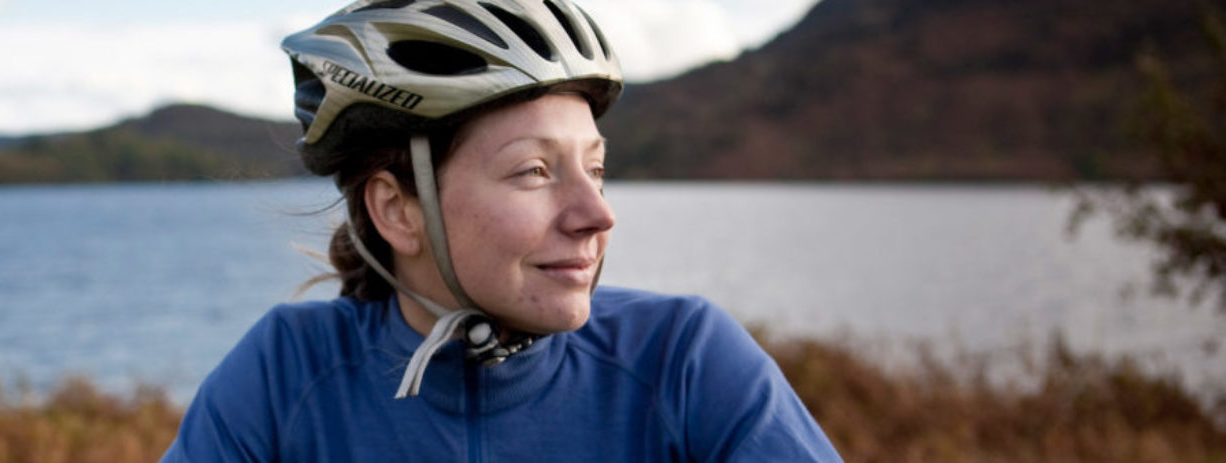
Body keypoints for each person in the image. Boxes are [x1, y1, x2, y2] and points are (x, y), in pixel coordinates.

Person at [160, 0, 842, 460]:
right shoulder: (286, 375)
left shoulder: (682, 359)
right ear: (396, 209)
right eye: (535, 171)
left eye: (595, 168)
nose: (595, 214)